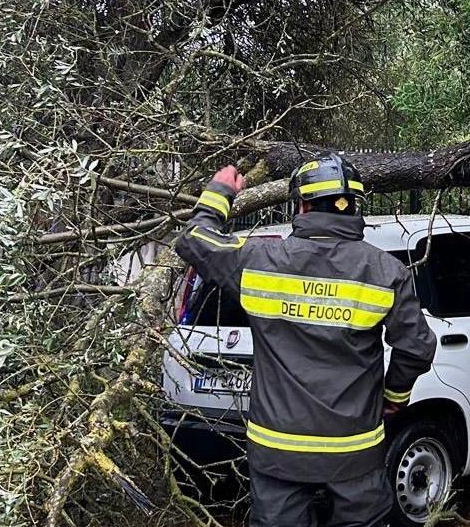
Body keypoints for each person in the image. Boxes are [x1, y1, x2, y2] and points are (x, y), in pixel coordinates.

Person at [175, 154, 437, 527]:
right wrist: (393, 399)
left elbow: (195, 240)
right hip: (355, 450)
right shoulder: (386, 273)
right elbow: (417, 347)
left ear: (302, 204)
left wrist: (220, 191)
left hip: (277, 450)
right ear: (353, 205)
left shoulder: (259, 262)